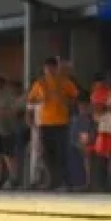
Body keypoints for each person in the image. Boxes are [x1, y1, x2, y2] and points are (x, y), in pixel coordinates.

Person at [27, 57, 80, 191]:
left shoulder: (65, 82)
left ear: (57, 68)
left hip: (61, 122)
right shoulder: (39, 83)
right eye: (47, 68)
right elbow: (30, 101)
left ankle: (66, 182)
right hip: (45, 122)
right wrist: (30, 116)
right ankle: (53, 181)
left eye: (52, 67)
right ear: (44, 69)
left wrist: (66, 101)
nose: (50, 70)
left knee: (62, 152)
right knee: (48, 153)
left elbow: (75, 98)